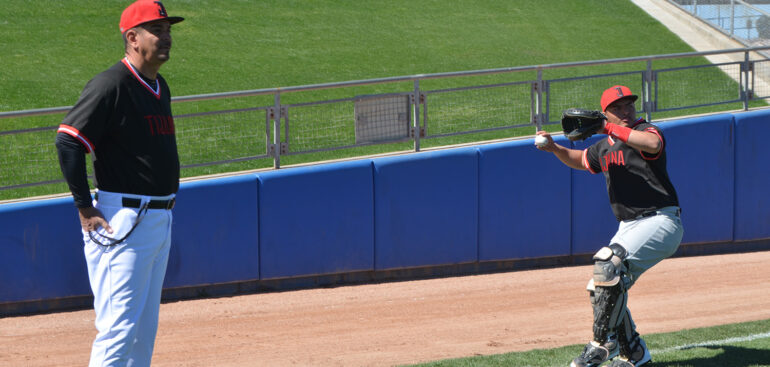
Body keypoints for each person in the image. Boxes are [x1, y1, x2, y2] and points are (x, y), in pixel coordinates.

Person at [54, 1, 183, 365]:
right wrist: (84, 206)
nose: (166, 37)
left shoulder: (159, 85)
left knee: (143, 330)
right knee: (118, 330)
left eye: (168, 29)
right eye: (157, 30)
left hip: (158, 219)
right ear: (132, 38)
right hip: (122, 219)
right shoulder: (111, 85)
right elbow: (68, 140)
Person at [535, 85, 684, 367]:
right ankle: (635, 353)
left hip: (661, 219)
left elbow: (652, 145)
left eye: (629, 105)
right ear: (605, 113)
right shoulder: (604, 146)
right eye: (618, 108)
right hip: (630, 226)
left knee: (609, 264)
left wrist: (608, 127)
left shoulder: (647, 131)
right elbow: (580, 159)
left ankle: (603, 343)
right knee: (600, 286)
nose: (626, 111)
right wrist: (555, 148)